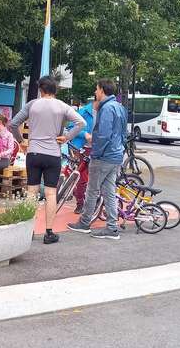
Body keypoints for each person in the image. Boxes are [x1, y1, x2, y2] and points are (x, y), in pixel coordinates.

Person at [9, 76, 86, 244]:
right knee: (51, 193)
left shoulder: (32, 105)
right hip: (53, 154)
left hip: (34, 153)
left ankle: (28, 231)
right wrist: (66, 137)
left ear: (41, 90)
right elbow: (81, 122)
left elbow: (12, 124)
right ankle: (49, 232)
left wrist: (21, 142)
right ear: (55, 90)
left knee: (32, 192)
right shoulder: (62, 106)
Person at [68, 79, 127, 240]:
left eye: (96, 89)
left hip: (103, 156)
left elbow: (104, 135)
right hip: (115, 155)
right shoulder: (119, 107)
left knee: (92, 190)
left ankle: (84, 223)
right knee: (108, 192)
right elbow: (122, 133)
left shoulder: (106, 108)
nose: (95, 92)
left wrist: (96, 152)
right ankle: (112, 227)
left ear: (102, 90)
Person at [68, 98, 96, 214]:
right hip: (82, 149)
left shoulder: (107, 112)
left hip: (98, 149)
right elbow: (71, 128)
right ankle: (80, 203)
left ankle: (95, 204)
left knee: (96, 178)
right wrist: (85, 135)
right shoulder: (84, 111)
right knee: (82, 178)